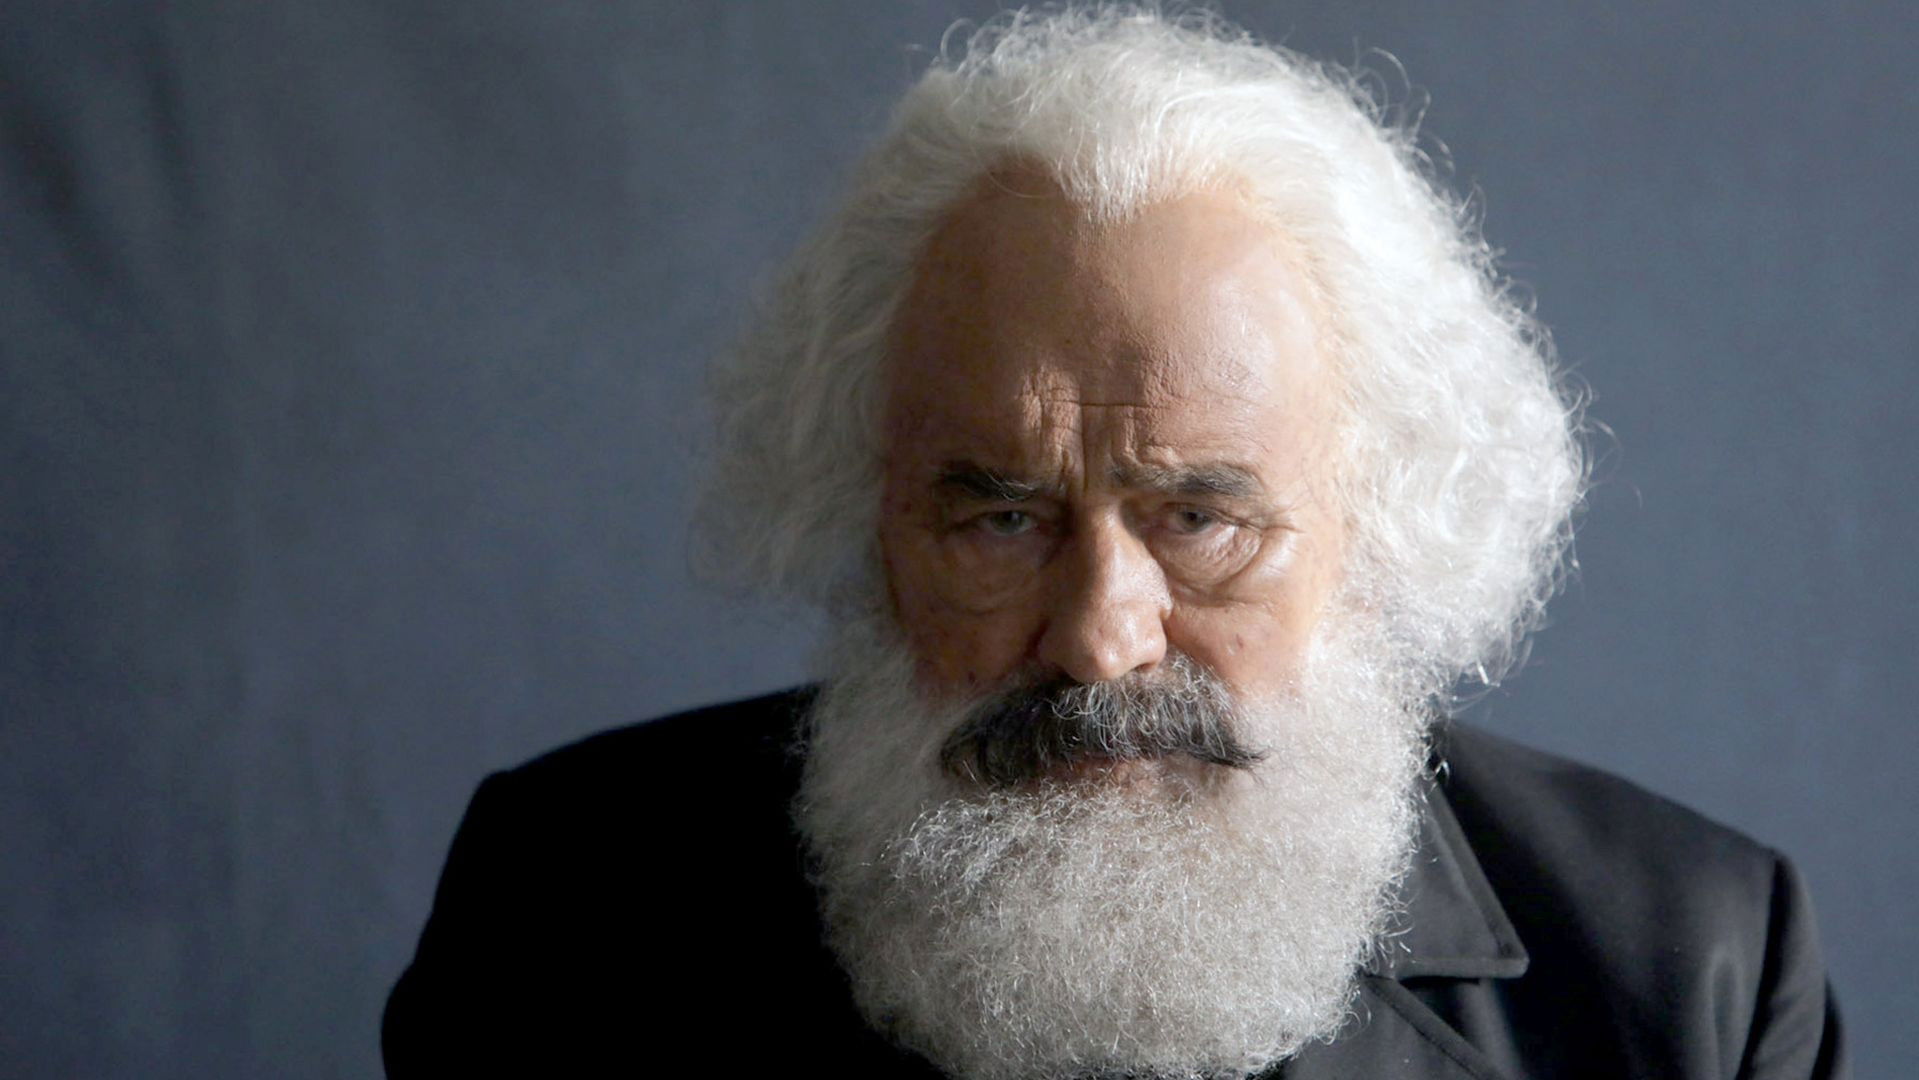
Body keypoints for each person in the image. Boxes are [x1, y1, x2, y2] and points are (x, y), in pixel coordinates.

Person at [383, 8, 1845, 1078]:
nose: (1099, 637)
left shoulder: (1694, 976)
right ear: (869, 516)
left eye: (1200, 518)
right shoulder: (564, 916)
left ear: (1376, 527)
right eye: (1002, 515)